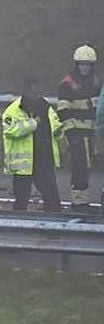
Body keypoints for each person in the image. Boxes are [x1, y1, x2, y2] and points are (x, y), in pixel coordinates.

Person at [4, 78, 64, 212]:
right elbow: (10, 131)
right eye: (33, 93)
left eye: (38, 93)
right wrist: (33, 124)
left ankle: (54, 225)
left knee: (52, 199)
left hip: (43, 160)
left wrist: (59, 130)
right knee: (21, 200)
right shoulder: (13, 111)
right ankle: (18, 225)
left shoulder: (45, 106)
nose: (36, 96)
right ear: (26, 92)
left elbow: (55, 124)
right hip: (23, 165)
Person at [56, 45, 100, 212]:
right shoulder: (67, 85)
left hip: (92, 134)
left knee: (88, 168)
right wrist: (71, 135)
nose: (84, 68)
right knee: (79, 167)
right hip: (76, 134)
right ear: (76, 64)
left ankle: (84, 202)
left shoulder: (97, 83)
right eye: (81, 64)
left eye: (88, 64)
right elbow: (63, 113)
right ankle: (78, 203)